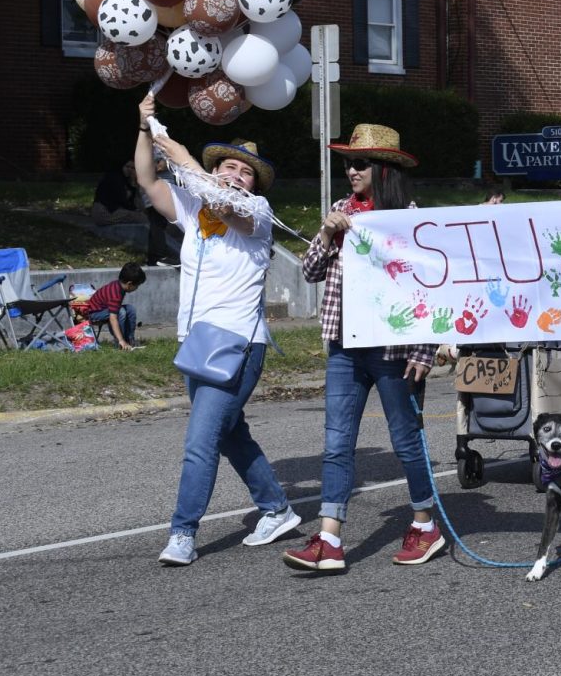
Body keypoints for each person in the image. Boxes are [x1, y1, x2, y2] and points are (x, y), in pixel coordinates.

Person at [135, 94, 300, 566]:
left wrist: (176, 148)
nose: (234, 174)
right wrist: (146, 129)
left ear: (255, 183)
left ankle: (182, 533)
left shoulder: (259, 213)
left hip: (238, 344)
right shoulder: (194, 211)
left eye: (244, 171)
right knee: (230, 434)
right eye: (228, 166)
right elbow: (148, 178)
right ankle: (276, 508)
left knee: (201, 440)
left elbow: (226, 204)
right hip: (196, 342)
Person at [282, 124, 445, 573]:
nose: (350, 171)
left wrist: (424, 351)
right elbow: (310, 272)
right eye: (347, 163)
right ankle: (330, 538)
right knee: (336, 443)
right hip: (343, 344)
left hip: (393, 350)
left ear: (384, 169)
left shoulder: (410, 221)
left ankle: (425, 525)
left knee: (405, 443)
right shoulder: (340, 211)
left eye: (359, 163)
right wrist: (326, 233)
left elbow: (428, 292)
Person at [81, 261, 146, 350]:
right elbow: (113, 318)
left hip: (104, 310)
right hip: (93, 314)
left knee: (131, 309)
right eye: (137, 286)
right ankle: (120, 343)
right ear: (129, 284)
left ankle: (130, 340)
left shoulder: (119, 286)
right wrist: (120, 340)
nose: (137, 288)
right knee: (121, 312)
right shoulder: (115, 294)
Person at [91, 160, 146, 226]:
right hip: (104, 211)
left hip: (114, 211)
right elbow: (122, 200)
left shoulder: (126, 181)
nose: (130, 170)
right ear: (122, 166)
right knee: (140, 217)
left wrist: (133, 182)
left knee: (141, 216)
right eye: (127, 167)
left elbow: (132, 202)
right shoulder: (115, 178)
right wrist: (135, 210)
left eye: (133, 168)